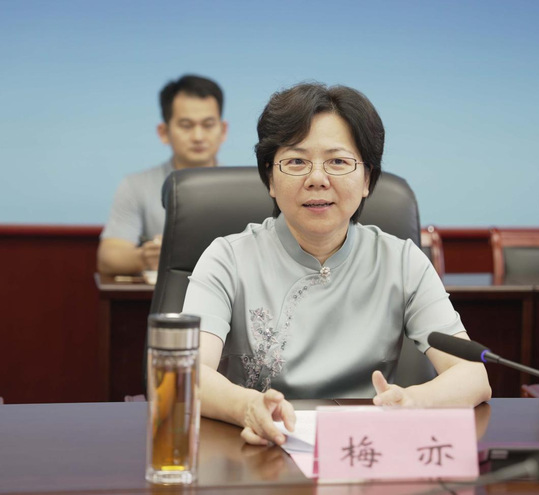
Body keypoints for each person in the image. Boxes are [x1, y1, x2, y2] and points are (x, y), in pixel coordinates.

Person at [182, 82, 491, 446]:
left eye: (338, 162)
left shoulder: (403, 262)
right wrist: (247, 407)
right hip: (260, 447)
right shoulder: (227, 259)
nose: (317, 179)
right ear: (270, 179)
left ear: (367, 179)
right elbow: (189, 374)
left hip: (365, 449)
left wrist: (414, 402)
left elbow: (473, 376)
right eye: (296, 161)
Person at [97, 75, 228, 275]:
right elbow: (108, 257)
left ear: (223, 130)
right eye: (186, 125)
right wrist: (144, 257)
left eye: (208, 124)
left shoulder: (248, 188)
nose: (198, 136)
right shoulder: (136, 186)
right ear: (164, 132)